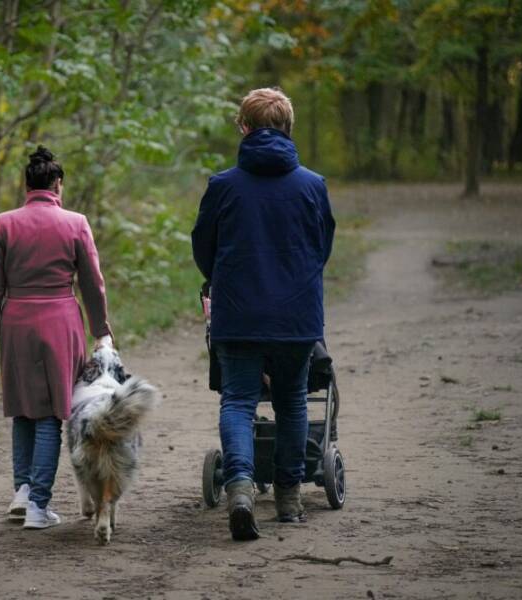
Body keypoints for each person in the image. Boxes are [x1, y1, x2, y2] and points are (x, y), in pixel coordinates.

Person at [191, 87, 335, 541]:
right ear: (288, 128)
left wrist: (223, 277)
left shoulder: (223, 185)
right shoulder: (313, 185)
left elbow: (203, 248)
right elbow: (322, 247)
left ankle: (239, 490)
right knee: (292, 400)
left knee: (237, 401)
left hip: (238, 312)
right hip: (296, 317)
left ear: (245, 128)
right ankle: (289, 500)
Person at [0, 146, 113, 530]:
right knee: (52, 414)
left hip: (16, 322)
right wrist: (101, 328)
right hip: (60, 322)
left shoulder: (5, 223)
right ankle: (38, 505)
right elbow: (92, 283)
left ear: (26, 185)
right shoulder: (75, 222)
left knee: (22, 409)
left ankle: (21, 492)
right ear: (57, 183)